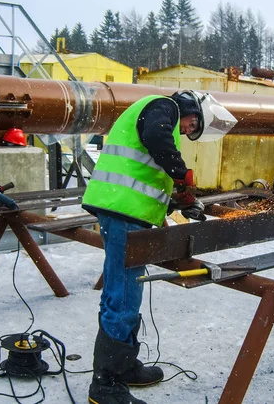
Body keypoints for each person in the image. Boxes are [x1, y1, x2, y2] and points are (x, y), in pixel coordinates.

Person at [82, 91, 207, 404]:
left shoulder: (159, 115)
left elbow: (144, 173)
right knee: (122, 295)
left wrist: (176, 200)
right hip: (122, 210)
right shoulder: (164, 107)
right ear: (190, 109)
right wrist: (182, 175)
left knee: (126, 293)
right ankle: (105, 385)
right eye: (194, 124)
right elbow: (156, 139)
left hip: (125, 209)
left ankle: (122, 367)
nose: (189, 131)